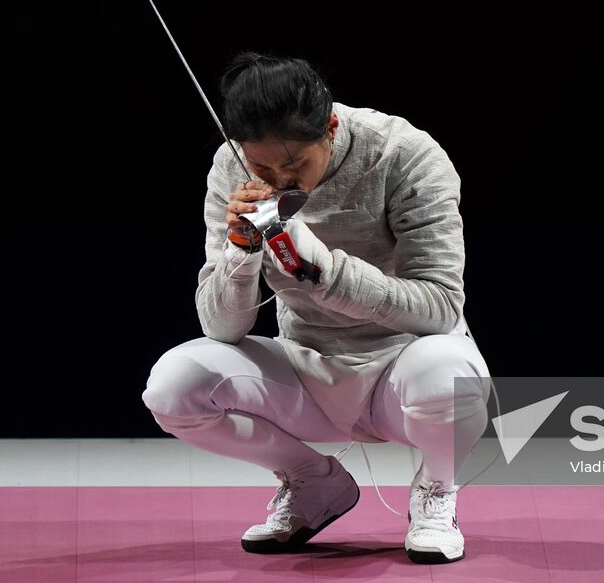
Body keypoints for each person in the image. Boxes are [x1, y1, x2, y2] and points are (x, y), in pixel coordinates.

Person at [141, 52, 491, 564]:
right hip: (309, 370)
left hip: (404, 372)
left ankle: (437, 492)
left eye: (295, 165)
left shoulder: (405, 153)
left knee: (446, 368)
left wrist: (326, 271)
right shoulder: (230, 167)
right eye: (263, 166)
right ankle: (313, 482)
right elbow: (221, 327)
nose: (280, 181)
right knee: (174, 387)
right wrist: (241, 254)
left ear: (329, 128)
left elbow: (439, 307)